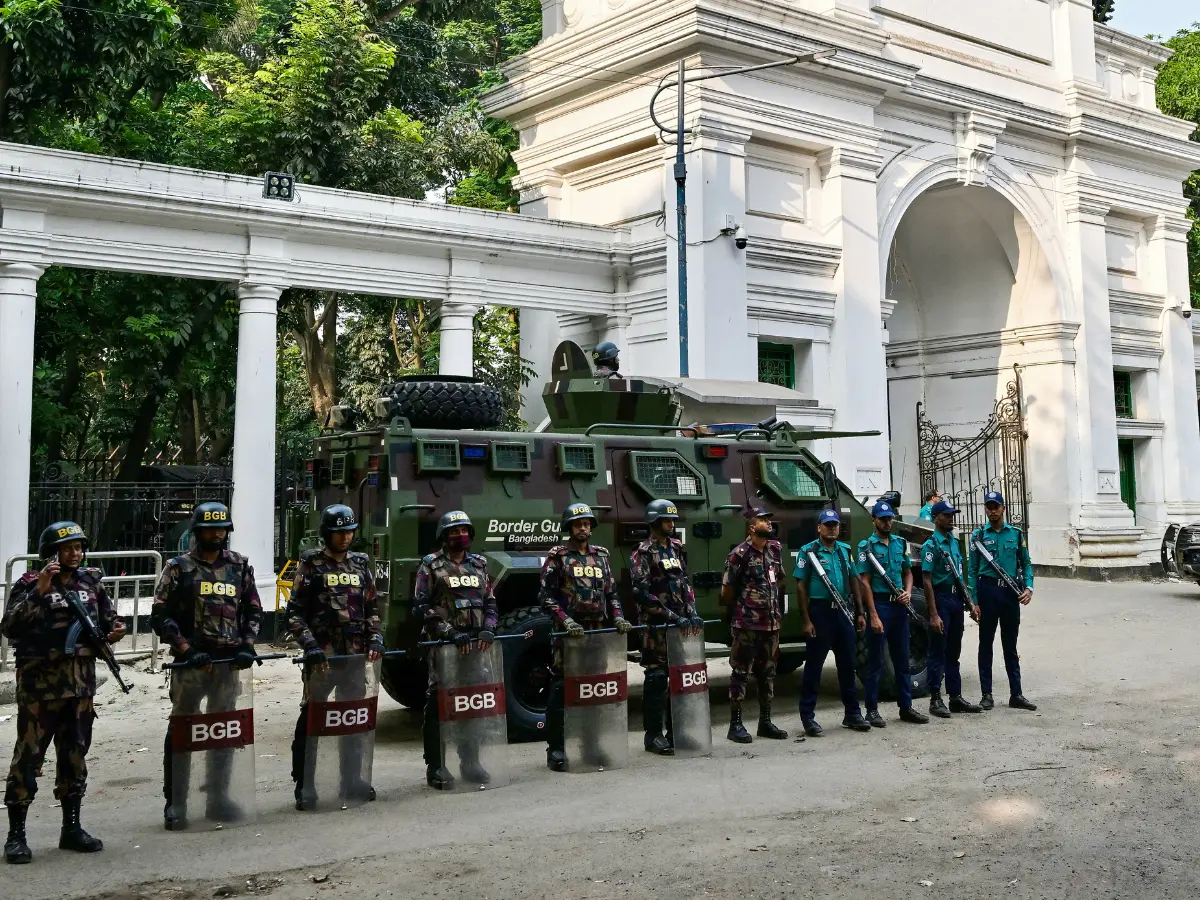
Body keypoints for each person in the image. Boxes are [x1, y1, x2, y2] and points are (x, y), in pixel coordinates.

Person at [2, 522, 125, 864]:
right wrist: (40, 590)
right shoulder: (30, 583)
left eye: (79, 547)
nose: (75, 554)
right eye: (68, 548)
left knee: (75, 756)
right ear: (52, 553)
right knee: (28, 759)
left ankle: (71, 828)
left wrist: (115, 630)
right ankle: (16, 836)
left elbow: (109, 620)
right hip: (40, 688)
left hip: (80, 687)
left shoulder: (91, 582)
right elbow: (10, 626)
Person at [151, 501, 262, 830]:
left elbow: (253, 610)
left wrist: (247, 646)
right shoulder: (178, 568)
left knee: (224, 730)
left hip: (228, 664)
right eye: (210, 528)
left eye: (221, 528)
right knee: (183, 730)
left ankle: (218, 798)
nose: (216, 534)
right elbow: (159, 616)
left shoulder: (239, 566)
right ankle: (176, 802)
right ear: (197, 531)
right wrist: (185, 649)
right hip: (191, 665)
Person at [287, 504, 382, 808]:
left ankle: (351, 781)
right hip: (322, 659)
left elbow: (372, 608)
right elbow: (294, 614)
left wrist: (375, 638)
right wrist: (310, 646)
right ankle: (305, 784)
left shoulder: (360, 564)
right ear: (327, 534)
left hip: (354, 656)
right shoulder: (311, 565)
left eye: (349, 531)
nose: (345, 537)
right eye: (339, 532)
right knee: (312, 719)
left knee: (352, 718)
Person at [539, 503, 631, 771]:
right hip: (568, 635)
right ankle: (556, 749)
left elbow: (611, 593)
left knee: (594, 689)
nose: (583, 528)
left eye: (587, 524)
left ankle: (591, 746)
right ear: (570, 528)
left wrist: (618, 617)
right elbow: (545, 596)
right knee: (562, 688)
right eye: (578, 524)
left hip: (597, 632)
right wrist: (565, 621)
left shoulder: (601, 556)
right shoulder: (558, 557)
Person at [412, 510, 498, 789]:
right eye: (453, 531)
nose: (460, 536)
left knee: (472, 704)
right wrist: (449, 632)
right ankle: (436, 766)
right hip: (445, 646)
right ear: (443, 536)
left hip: (475, 647)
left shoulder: (479, 564)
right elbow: (421, 606)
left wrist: (489, 628)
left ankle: (470, 762)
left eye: (464, 531)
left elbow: (490, 602)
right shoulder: (431, 565)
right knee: (440, 703)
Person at [630, 500, 703, 755]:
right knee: (656, 678)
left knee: (679, 678)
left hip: (679, 625)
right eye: (666, 520)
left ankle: (676, 732)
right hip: (655, 626)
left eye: (673, 520)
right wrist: (671, 616)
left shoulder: (676, 548)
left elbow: (685, 583)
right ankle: (653, 736)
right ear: (654, 522)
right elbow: (641, 593)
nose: (671, 524)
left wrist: (691, 610)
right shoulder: (643, 552)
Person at [794, 509, 870, 736]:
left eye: (835, 524)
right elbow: (801, 587)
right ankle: (808, 717)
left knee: (847, 665)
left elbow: (854, 580)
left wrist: (859, 612)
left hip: (843, 612)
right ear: (819, 527)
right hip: (820, 613)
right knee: (814, 667)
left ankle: (852, 714)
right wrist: (806, 620)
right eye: (827, 525)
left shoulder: (845, 551)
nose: (832, 528)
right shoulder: (808, 551)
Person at [857, 500, 929, 726]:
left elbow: (908, 572)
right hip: (880, 605)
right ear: (874, 521)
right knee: (875, 661)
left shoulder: (899, 543)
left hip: (899, 607)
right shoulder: (866, 547)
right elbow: (864, 582)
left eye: (889, 519)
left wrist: (908, 592)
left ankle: (906, 707)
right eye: (882, 519)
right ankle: (871, 711)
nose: (887, 523)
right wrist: (873, 615)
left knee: (902, 660)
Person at [720, 508, 787, 743]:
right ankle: (735, 725)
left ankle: (765, 722)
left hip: (771, 624)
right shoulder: (739, 554)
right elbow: (727, 590)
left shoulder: (774, 549)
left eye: (769, 519)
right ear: (751, 527)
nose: (768, 523)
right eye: (763, 520)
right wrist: (744, 610)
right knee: (740, 673)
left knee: (768, 673)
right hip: (747, 625)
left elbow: (779, 579)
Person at [968, 491, 1036, 711]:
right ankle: (986, 695)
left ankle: (1016, 694)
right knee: (985, 644)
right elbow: (972, 570)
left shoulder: (1015, 534)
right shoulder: (978, 536)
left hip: (1010, 593)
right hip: (988, 592)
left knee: (1010, 645)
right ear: (985, 510)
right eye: (989, 507)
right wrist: (973, 601)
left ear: (1003, 508)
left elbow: (1026, 563)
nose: (992, 511)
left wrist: (1029, 587)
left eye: (996, 506)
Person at [920, 500, 982, 718]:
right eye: (946, 515)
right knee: (938, 650)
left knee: (954, 651)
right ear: (935, 518)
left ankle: (955, 697)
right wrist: (933, 613)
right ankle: (935, 699)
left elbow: (960, 575)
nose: (950, 518)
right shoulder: (931, 545)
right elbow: (927, 580)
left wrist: (970, 602)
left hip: (955, 598)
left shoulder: (954, 543)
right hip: (941, 598)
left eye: (951, 515)